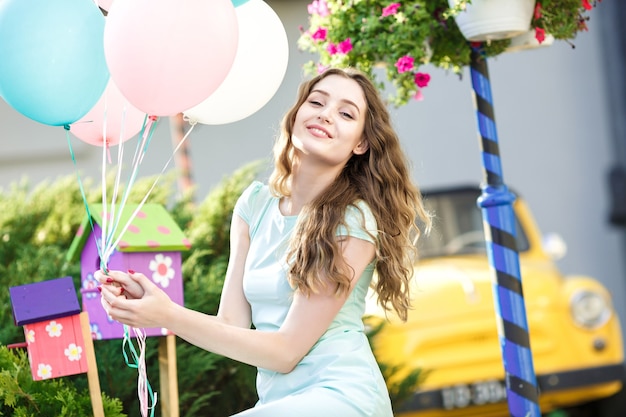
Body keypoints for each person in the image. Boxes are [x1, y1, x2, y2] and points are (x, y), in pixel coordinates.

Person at [96, 67, 431, 416]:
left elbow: (286, 352)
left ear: (360, 143)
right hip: (279, 403)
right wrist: (155, 306)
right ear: (296, 114)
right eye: (316, 101)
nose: (325, 114)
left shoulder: (352, 220)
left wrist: (168, 315)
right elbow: (230, 327)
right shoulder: (254, 205)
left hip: (340, 396)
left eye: (346, 113)